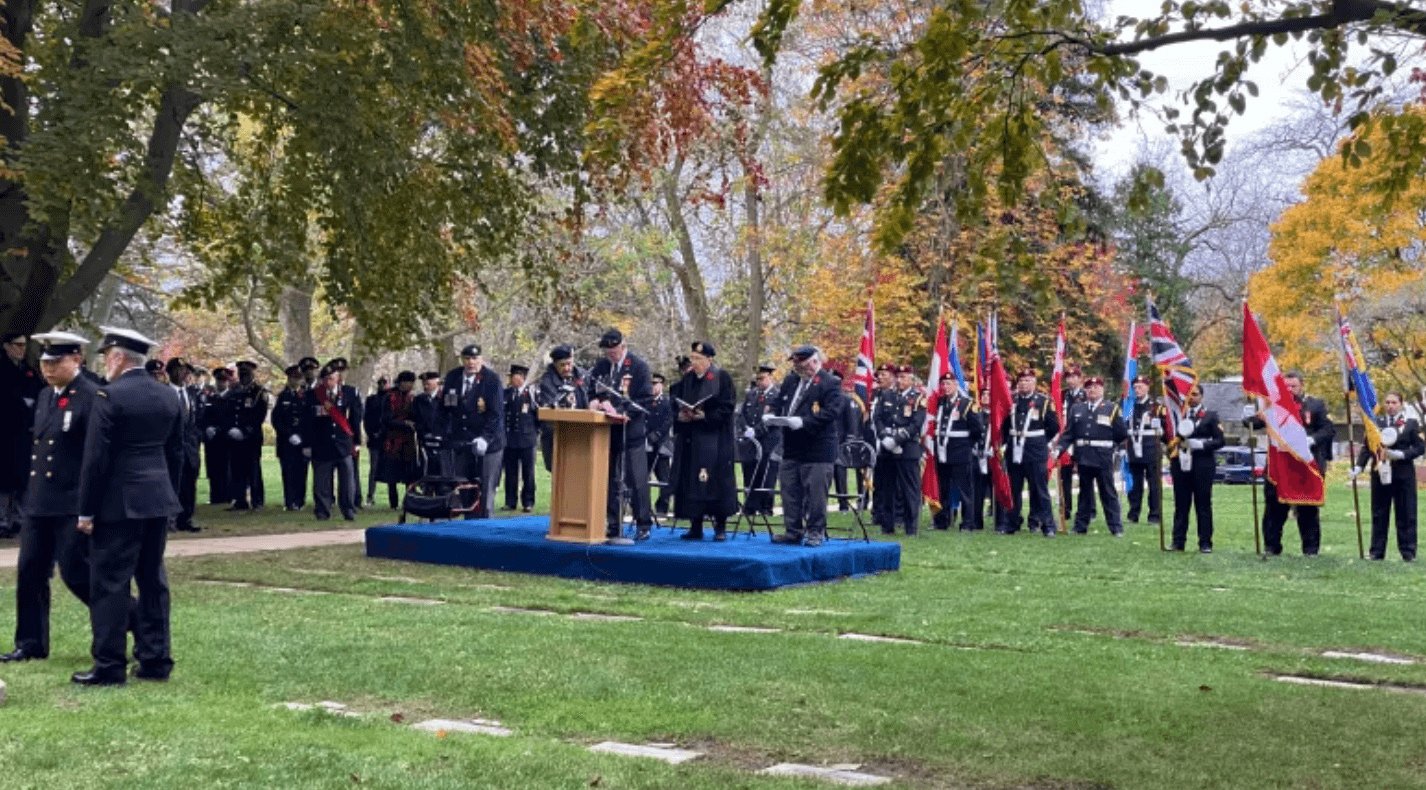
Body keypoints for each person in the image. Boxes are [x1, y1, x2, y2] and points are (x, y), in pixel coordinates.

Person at [74, 327, 183, 685]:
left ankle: (109, 664)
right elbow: (176, 453)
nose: (105, 363)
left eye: (107, 356)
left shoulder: (110, 396)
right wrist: (172, 496)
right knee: (152, 579)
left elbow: (96, 460)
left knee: (110, 583)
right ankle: (155, 659)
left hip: (118, 502)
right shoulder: (168, 396)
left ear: (120, 358)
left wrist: (86, 510)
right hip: (157, 498)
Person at [2, 332, 100, 664]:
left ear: (77, 359)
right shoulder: (45, 396)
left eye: (56, 362)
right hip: (40, 502)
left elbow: (93, 455)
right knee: (29, 570)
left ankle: (131, 619)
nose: (49, 369)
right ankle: (30, 642)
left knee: (76, 572)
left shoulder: (92, 396)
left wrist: (90, 506)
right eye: (45, 362)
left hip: (71, 501)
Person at [1245, 371, 1333, 556]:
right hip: (1280, 465)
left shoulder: (1314, 405)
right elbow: (1254, 423)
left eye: (1293, 386)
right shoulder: (1273, 406)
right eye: (1286, 386)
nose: (1290, 389)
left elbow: (1328, 429)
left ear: (1301, 386)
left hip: (1305, 465)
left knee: (1307, 509)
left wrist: (1312, 439)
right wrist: (1251, 419)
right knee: (1274, 508)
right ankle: (1272, 547)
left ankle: (1310, 549)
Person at [768, 345, 844, 547]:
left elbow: (831, 413)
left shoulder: (830, 383)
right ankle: (793, 530)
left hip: (817, 447)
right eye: (794, 364)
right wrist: (772, 414)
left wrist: (804, 422)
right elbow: (779, 401)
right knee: (789, 491)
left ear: (814, 361)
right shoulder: (792, 380)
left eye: (800, 363)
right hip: (792, 446)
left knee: (816, 493)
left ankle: (815, 531)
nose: (797, 368)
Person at [587, 329, 655, 541]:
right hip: (606, 433)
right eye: (608, 352)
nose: (611, 356)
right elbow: (592, 390)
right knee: (610, 480)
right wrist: (595, 402)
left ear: (623, 346)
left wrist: (625, 413)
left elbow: (644, 400)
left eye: (614, 351)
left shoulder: (638, 367)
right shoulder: (601, 367)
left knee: (636, 480)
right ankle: (613, 522)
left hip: (631, 432)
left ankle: (643, 522)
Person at [670, 342, 738, 540]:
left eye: (699, 359)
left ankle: (720, 527)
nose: (695, 362)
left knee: (716, 481)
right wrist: (681, 415)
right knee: (692, 481)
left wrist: (705, 416)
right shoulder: (688, 379)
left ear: (710, 359)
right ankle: (695, 525)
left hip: (714, 440)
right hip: (692, 439)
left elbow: (727, 407)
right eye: (693, 358)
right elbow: (676, 403)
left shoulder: (721, 377)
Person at [1352, 391, 1422, 561]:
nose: (1390, 406)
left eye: (1394, 403)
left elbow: (1420, 447)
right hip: (1380, 473)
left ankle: (1408, 552)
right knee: (1379, 513)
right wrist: (1359, 466)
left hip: (1403, 475)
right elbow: (1368, 446)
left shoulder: (1411, 424)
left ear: (1401, 404)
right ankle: (1377, 552)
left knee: (1406, 513)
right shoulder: (1376, 423)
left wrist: (1401, 454)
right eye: (1388, 402)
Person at [1058, 375, 1128, 537]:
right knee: (1084, 493)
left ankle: (1116, 527)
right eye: (1089, 388)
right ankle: (1080, 526)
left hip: (1102, 457)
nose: (1092, 390)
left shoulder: (1111, 408)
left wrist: (1114, 448)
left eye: (1096, 387)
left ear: (1102, 390)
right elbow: (1069, 434)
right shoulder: (1077, 409)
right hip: (1083, 457)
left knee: (1108, 492)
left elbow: (1121, 433)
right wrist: (1059, 449)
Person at [443, 344, 504, 518]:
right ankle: (469, 525)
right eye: (467, 359)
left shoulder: (491, 380)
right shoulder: (453, 377)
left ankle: (486, 527)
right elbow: (446, 408)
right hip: (463, 441)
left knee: (485, 489)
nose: (471, 362)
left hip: (489, 443)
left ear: (481, 359)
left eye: (475, 359)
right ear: (462, 360)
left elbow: (496, 414)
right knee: (464, 487)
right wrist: (442, 433)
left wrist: (485, 438)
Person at [1000, 369, 1060, 536]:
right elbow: (1004, 425)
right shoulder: (1010, 400)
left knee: (1040, 490)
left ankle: (1048, 525)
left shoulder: (1044, 401)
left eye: (1027, 380)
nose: (1023, 384)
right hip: (1014, 451)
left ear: (1034, 383)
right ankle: (1011, 523)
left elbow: (1054, 427)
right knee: (1013, 489)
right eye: (1021, 381)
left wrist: (1040, 442)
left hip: (1035, 451)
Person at [302, 360, 363, 521]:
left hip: (344, 444)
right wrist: (307, 444)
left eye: (332, 378)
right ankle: (323, 510)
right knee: (322, 482)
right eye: (326, 379)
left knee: (347, 481)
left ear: (338, 378)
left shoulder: (350, 393)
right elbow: (307, 422)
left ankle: (348, 509)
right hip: (321, 444)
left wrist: (356, 442)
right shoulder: (313, 395)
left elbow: (355, 419)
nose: (328, 382)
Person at [1168, 384, 1224, 552]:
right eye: (1189, 395)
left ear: (1202, 396)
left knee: (1203, 505)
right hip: (1181, 464)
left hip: (1202, 465)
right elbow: (1169, 437)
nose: (1191, 398)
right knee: (1181, 505)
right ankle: (1178, 541)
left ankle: (1205, 543)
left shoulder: (1210, 416)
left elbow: (1221, 441)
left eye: (1195, 394)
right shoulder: (1178, 415)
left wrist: (1202, 444)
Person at [873, 364, 926, 536]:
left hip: (907, 448)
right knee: (887, 488)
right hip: (887, 447)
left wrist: (897, 440)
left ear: (911, 379)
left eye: (904, 377)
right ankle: (887, 525)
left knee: (909, 489)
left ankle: (911, 527)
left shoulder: (918, 398)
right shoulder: (887, 395)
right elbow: (877, 418)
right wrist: (884, 437)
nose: (900, 380)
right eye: (899, 377)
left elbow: (916, 424)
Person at [1, 333, 42, 537]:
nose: (21, 349)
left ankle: (19, 518)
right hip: (5, 431)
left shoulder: (28, 371)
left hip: (24, 432)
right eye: (17, 345)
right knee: (4, 478)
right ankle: (3, 520)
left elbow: (38, 391)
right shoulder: (3, 369)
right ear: (7, 346)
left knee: (22, 476)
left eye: (24, 345)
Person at [930, 372, 983, 531]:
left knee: (964, 490)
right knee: (942, 489)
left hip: (960, 452)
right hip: (942, 452)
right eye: (943, 384)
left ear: (956, 385)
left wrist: (966, 445)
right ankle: (942, 521)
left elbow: (977, 429)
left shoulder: (967, 404)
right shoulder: (939, 403)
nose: (945, 387)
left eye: (949, 384)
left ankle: (968, 523)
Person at [221, 361, 269, 511]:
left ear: (252, 374)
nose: (243, 377)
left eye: (246, 374)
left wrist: (245, 431)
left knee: (253, 470)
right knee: (237, 470)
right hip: (235, 439)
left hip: (251, 438)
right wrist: (230, 429)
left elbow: (259, 416)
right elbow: (227, 413)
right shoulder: (234, 391)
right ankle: (239, 500)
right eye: (241, 374)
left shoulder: (259, 392)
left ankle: (257, 501)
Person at [535, 345, 588, 473]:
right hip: (557, 436)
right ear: (555, 364)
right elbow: (550, 407)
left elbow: (588, 400)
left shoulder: (582, 376)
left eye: (569, 364)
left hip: (582, 435)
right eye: (562, 365)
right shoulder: (547, 381)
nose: (567, 368)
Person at [737, 364, 781, 516]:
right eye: (757, 379)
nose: (759, 382)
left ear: (770, 378)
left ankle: (765, 507)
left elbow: (773, 418)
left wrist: (756, 431)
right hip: (751, 442)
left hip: (768, 440)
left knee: (766, 474)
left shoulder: (777, 395)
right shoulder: (752, 394)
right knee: (749, 472)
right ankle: (750, 505)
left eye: (762, 378)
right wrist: (745, 429)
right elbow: (742, 414)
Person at [375, 371, 422, 508]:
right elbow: (386, 419)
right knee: (392, 475)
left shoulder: (413, 398)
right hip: (393, 440)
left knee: (410, 473)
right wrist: (404, 424)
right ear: (402, 383)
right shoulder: (390, 397)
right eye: (408, 382)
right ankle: (393, 503)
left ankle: (410, 500)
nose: (410, 386)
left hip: (408, 441)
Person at [1125, 375, 1167, 525]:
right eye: (1135, 387)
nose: (1137, 390)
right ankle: (1133, 513)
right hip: (1134, 450)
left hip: (1151, 450)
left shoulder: (1157, 407)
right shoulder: (1130, 406)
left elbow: (1165, 429)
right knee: (1135, 485)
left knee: (1154, 485)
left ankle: (1154, 515)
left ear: (1147, 387)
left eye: (1140, 386)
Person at [166, 357, 201, 532]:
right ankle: (170, 519)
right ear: (170, 373)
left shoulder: (191, 393)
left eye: (185, 371)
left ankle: (186, 518)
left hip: (190, 448)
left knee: (189, 484)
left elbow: (195, 421)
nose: (183, 374)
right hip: (172, 448)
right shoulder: (164, 393)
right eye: (179, 371)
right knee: (173, 484)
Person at [272, 365, 309, 511]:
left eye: (298, 378)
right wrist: (289, 434)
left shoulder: (307, 396)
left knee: (301, 472)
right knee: (287, 472)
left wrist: (301, 435)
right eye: (293, 378)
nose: (296, 381)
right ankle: (289, 501)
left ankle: (299, 501)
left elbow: (309, 419)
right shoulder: (283, 396)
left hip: (302, 441)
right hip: (286, 441)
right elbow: (277, 419)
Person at [502, 364, 538, 512]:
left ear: (522, 378)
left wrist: (535, 432)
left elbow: (538, 415)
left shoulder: (531, 394)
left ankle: (528, 502)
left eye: (516, 376)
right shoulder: (506, 393)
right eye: (512, 377)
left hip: (527, 439)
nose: (513, 379)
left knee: (528, 472)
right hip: (510, 439)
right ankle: (510, 501)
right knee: (510, 472)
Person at [1056, 365, 1086, 526]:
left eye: (1074, 377)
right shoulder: (1062, 395)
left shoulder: (1085, 395)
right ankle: (1066, 508)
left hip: (1081, 439)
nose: (1070, 380)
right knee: (1064, 477)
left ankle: (1088, 509)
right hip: (1066, 439)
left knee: (1085, 477)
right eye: (1068, 377)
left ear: (1079, 379)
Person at [198, 367, 232, 504]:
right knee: (212, 467)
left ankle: (227, 495)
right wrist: (207, 428)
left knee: (226, 467)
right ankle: (215, 496)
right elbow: (203, 416)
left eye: (224, 380)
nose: (221, 383)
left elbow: (230, 419)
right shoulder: (209, 397)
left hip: (225, 438)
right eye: (219, 380)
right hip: (211, 439)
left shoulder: (231, 398)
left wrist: (218, 429)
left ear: (228, 382)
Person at [647, 373, 675, 515]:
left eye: (656, 384)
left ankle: (662, 507)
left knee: (664, 479)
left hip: (661, 445)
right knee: (644, 477)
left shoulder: (666, 402)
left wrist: (657, 434)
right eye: (652, 384)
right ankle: (644, 508)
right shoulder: (646, 401)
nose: (653, 387)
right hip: (647, 444)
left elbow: (668, 421)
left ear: (661, 385)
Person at [412, 371, 445, 477]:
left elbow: (451, 419)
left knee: (441, 472)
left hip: (442, 441)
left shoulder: (446, 398)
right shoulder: (419, 400)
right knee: (426, 470)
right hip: (425, 441)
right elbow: (415, 418)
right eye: (424, 384)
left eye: (428, 384)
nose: (425, 387)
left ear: (437, 383)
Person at [363, 376, 389, 507]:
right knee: (373, 468)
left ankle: (392, 499)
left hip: (389, 438)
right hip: (374, 438)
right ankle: (370, 495)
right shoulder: (371, 400)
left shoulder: (391, 398)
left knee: (391, 468)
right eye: (380, 383)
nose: (382, 385)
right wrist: (371, 433)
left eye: (385, 383)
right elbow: (367, 418)